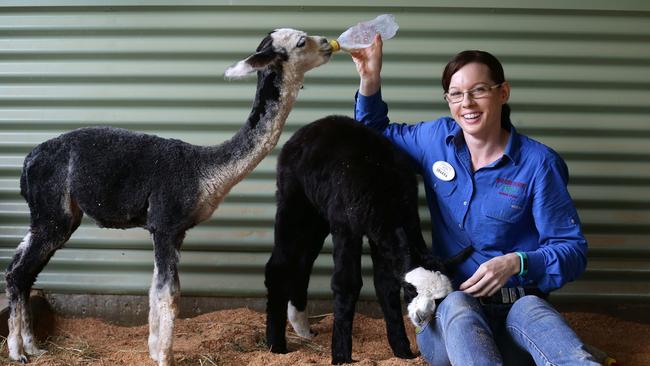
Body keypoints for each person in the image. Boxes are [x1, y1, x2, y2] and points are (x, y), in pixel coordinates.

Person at [350, 34, 600, 365]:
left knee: (535, 312)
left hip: (519, 308)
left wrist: (518, 262)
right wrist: (370, 78)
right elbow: (371, 136)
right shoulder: (434, 140)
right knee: (457, 304)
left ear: (503, 93)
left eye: (478, 90)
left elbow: (573, 251)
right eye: (456, 94)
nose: (466, 103)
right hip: (451, 322)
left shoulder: (539, 164)